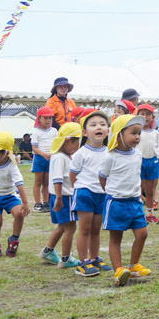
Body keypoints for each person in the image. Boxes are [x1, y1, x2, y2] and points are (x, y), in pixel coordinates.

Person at [99, 114, 150, 286]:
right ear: (119, 134)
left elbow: (136, 175)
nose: (137, 137)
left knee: (142, 233)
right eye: (133, 133)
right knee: (116, 237)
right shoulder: (110, 156)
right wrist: (110, 192)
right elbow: (102, 177)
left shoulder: (138, 155)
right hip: (116, 202)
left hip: (134, 202)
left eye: (139, 133)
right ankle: (118, 270)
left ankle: (133, 266)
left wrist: (140, 193)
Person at [70, 109, 112, 278]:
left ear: (108, 130)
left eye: (102, 124)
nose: (98, 127)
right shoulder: (81, 153)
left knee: (96, 229)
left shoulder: (110, 151)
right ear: (85, 132)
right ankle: (82, 262)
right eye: (93, 125)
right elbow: (73, 174)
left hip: (101, 194)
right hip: (85, 193)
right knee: (85, 229)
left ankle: (95, 258)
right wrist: (79, 189)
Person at [39, 123, 80, 270]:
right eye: (77, 143)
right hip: (64, 197)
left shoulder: (61, 156)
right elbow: (58, 179)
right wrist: (59, 197)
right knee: (70, 228)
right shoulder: (60, 158)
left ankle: (47, 252)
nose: (77, 147)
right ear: (68, 140)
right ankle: (65, 259)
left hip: (60, 196)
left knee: (62, 227)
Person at [0, 132, 29, 258]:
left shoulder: (11, 164)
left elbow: (19, 183)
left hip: (9, 196)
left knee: (19, 213)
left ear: (6, 153)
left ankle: (14, 239)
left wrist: (25, 203)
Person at [135, 104, 159, 225]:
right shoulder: (136, 131)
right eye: (142, 114)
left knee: (150, 191)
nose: (145, 117)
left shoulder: (155, 133)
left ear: (152, 117)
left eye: (148, 114)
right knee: (137, 188)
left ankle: (150, 214)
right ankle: (138, 214)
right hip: (138, 161)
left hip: (152, 161)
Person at [30, 107, 57, 213]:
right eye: (45, 118)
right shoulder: (36, 132)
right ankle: (37, 203)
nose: (48, 120)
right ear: (39, 119)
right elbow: (34, 148)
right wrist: (44, 154)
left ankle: (46, 202)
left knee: (47, 181)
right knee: (38, 181)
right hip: (39, 158)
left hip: (50, 157)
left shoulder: (54, 131)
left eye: (50, 118)